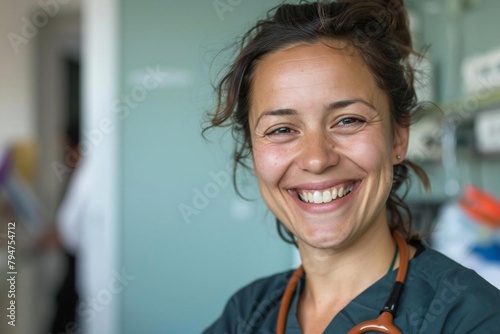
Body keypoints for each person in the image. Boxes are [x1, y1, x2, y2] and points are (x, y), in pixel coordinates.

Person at [202, 0, 500, 333]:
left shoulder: (471, 318)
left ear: (398, 138)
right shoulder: (247, 314)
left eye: (347, 120)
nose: (316, 159)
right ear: (253, 149)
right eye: (282, 129)